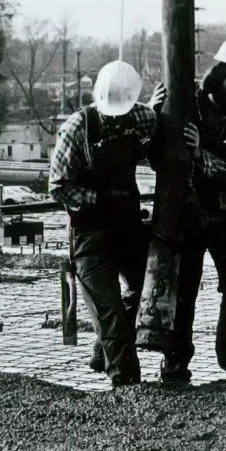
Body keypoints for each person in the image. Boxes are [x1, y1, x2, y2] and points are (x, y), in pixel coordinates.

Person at [147, 35, 226, 384]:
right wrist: (153, 112)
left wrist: (202, 156)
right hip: (189, 209)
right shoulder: (187, 99)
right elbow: (155, 151)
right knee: (186, 287)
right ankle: (175, 362)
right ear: (220, 74)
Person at [49, 60, 156, 388]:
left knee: (150, 287)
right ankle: (126, 384)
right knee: (107, 310)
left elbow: (158, 131)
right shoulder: (77, 127)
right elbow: (58, 185)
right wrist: (101, 199)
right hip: (90, 232)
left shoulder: (142, 117)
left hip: (127, 226)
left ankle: (106, 345)